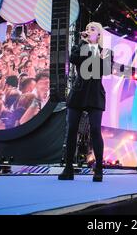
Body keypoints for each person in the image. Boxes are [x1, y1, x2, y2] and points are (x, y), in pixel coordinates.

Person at [58, 22, 112, 183]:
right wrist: (84, 43)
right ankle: (68, 168)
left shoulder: (107, 52)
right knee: (72, 130)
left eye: (92, 29)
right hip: (78, 93)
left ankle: (99, 169)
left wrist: (96, 54)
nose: (88, 31)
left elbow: (104, 70)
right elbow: (74, 59)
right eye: (87, 28)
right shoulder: (80, 46)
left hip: (95, 94)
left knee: (95, 130)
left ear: (99, 34)